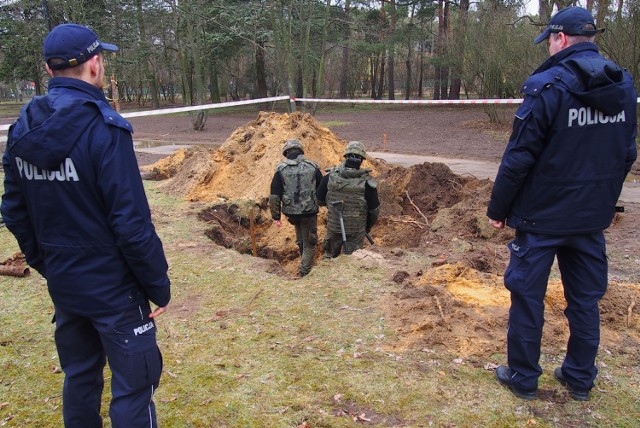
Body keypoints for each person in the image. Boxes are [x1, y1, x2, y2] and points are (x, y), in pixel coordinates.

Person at [1, 24, 171, 427]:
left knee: (80, 376)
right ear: (95, 65)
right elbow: (131, 223)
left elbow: (13, 209)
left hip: (66, 285)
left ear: (48, 68)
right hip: (114, 289)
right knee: (134, 385)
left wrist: (50, 263)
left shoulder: (22, 128)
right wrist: (157, 284)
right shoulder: (105, 128)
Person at [487, 7, 637, 401]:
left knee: (527, 297)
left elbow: (519, 156)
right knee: (585, 301)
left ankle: (522, 377)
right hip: (590, 219)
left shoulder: (547, 86)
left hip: (540, 219)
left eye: (550, 40)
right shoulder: (623, 85)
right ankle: (580, 377)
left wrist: (498, 209)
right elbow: (627, 153)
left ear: (561, 38)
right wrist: (603, 200)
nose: (550, 47)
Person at [269, 139, 323, 277]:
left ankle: (305, 261)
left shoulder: (281, 169)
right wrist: (322, 203)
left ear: (286, 153)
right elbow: (322, 188)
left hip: (291, 212)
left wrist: (276, 216)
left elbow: (275, 194)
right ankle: (304, 272)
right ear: (301, 151)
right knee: (310, 243)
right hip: (309, 212)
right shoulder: (313, 167)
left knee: (301, 237)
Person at [317, 141, 380, 257]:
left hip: (334, 226)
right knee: (352, 261)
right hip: (356, 229)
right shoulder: (367, 182)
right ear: (361, 160)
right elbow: (374, 210)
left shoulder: (329, 177)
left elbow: (319, 200)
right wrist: (367, 226)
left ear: (345, 157)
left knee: (329, 258)